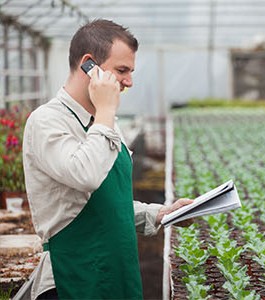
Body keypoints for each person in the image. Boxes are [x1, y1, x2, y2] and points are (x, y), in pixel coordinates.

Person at [22, 19, 193, 300]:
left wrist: (162, 214)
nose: (129, 82)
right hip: (73, 278)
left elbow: (107, 203)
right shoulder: (47, 121)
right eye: (122, 70)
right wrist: (105, 112)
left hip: (117, 272)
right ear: (89, 65)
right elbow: (85, 174)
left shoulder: (105, 120)